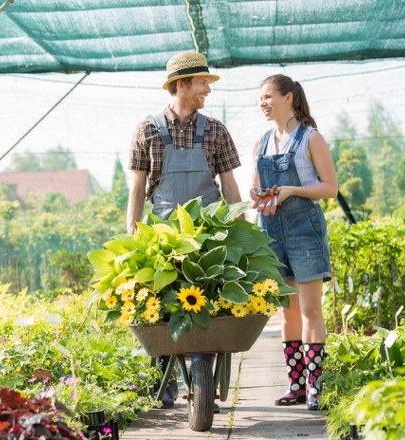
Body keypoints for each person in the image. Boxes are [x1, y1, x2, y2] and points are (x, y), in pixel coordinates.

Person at [127, 51, 242, 408]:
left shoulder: (216, 130)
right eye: (203, 82)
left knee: (210, 304)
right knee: (159, 308)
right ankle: (164, 379)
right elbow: (136, 188)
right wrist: (133, 236)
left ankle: (202, 375)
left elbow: (230, 187)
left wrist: (241, 234)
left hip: (210, 236)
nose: (208, 88)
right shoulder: (147, 129)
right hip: (164, 237)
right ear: (182, 84)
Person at [250, 74, 337, 411]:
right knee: (287, 312)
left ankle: (316, 386)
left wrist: (292, 191)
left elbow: (330, 188)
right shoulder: (261, 141)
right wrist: (258, 195)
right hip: (271, 228)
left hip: (304, 228)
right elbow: (254, 188)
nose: (263, 103)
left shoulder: (310, 137)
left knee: (310, 308)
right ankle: (296, 385)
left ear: (289, 97)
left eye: (268, 96)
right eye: (260, 99)